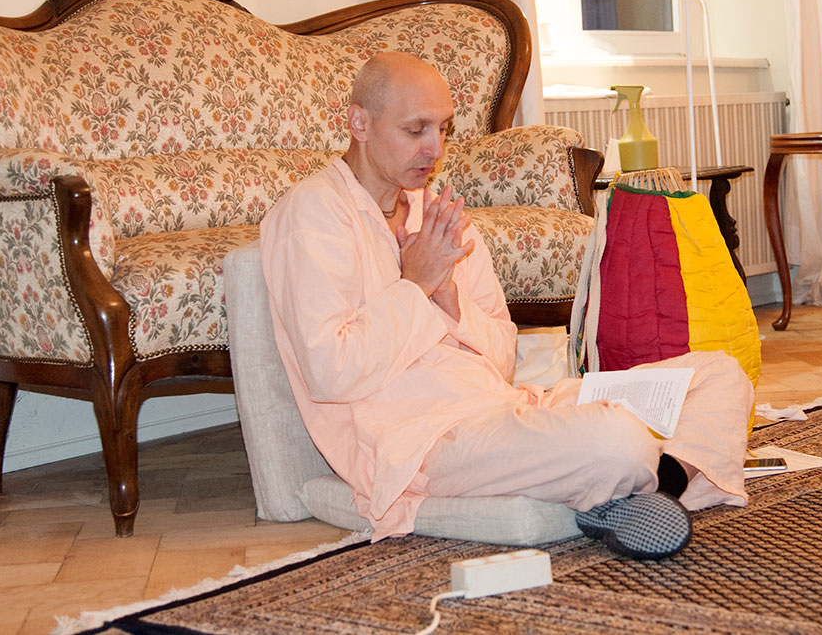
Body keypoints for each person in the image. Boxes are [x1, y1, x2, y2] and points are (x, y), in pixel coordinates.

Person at [260, 51, 753, 559]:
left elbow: (500, 359)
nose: (435, 149)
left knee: (719, 375)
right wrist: (416, 284)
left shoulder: (439, 215)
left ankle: (649, 492)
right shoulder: (314, 215)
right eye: (415, 129)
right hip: (426, 442)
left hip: (508, 410)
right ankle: (637, 481)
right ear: (359, 123)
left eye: (444, 129)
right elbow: (330, 373)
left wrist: (448, 297)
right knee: (615, 440)